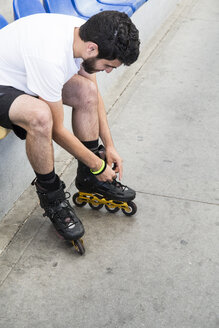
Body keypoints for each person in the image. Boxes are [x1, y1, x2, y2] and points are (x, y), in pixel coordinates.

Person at [0, 11, 140, 243]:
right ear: (93, 49)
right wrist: (97, 164)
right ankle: (51, 196)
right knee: (41, 116)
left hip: (24, 77)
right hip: (2, 82)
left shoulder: (85, 34)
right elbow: (56, 130)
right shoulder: (50, 56)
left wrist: (109, 146)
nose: (107, 71)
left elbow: (94, 95)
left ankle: (89, 179)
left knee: (87, 91)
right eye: (108, 66)